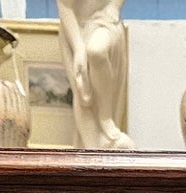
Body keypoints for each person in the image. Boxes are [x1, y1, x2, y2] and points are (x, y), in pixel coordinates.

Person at [56, 0, 134, 150]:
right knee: (83, 93)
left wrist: (114, 6)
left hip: (105, 21)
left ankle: (106, 118)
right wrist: (78, 48)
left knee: (96, 51)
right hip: (75, 30)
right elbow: (65, 7)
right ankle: (92, 150)